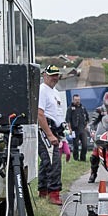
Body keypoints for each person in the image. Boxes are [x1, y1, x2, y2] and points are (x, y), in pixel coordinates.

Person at [37, 65, 66, 205]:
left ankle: (43, 191)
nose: (55, 78)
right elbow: (39, 114)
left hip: (55, 129)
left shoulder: (55, 91)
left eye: (56, 75)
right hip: (45, 129)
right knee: (53, 162)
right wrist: (49, 134)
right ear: (44, 75)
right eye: (52, 75)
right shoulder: (42, 90)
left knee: (46, 162)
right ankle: (54, 193)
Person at [67, 94, 91, 161]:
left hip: (83, 129)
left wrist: (86, 126)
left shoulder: (83, 108)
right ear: (73, 100)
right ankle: (76, 158)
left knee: (85, 145)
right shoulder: (70, 108)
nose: (77, 101)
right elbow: (68, 119)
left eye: (78, 100)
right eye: (76, 100)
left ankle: (83, 158)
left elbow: (87, 118)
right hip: (75, 130)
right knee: (76, 145)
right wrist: (70, 129)